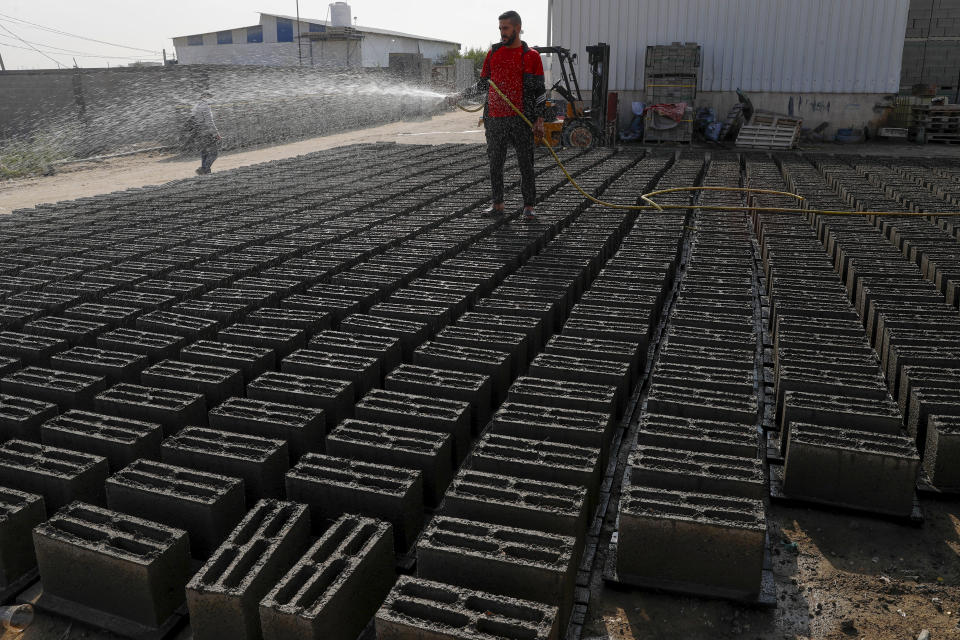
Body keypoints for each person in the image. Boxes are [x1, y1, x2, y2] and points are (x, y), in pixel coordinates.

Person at [448, 10, 546, 220]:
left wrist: (539, 119)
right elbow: (483, 84)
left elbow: (539, 91)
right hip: (495, 118)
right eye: (500, 28)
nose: (502, 33)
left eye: (506, 28)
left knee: (525, 164)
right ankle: (498, 204)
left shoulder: (531, 56)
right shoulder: (494, 53)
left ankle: (528, 206)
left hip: (522, 119)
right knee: (495, 163)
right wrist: (460, 96)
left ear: (517, 28)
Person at [190, 91, 221, 175]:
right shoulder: (205, 106)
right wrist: (216, 133)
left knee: (204, 152)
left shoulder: (196, 106)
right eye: (210, 97)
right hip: (207, 133)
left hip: (199, 133)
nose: (211, 99)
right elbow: (209, 122)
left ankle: (204, 170)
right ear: (206, 97)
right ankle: (205, 169)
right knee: (214, 153)